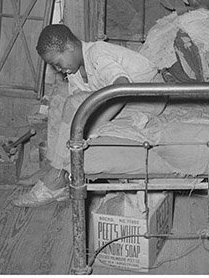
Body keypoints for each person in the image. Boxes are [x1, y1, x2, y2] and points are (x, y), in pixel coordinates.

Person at [12, 24, 161, 207]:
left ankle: (57, 177)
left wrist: (94, 125)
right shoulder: (74, 69)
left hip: (149, 96)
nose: (58, 69)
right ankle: (52, 165)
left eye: (57, 63)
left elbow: (122, 87)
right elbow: (74, 104)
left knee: (74, 103)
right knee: (59, 100)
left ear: (69, 48)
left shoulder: (97, 54)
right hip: (125, 99)